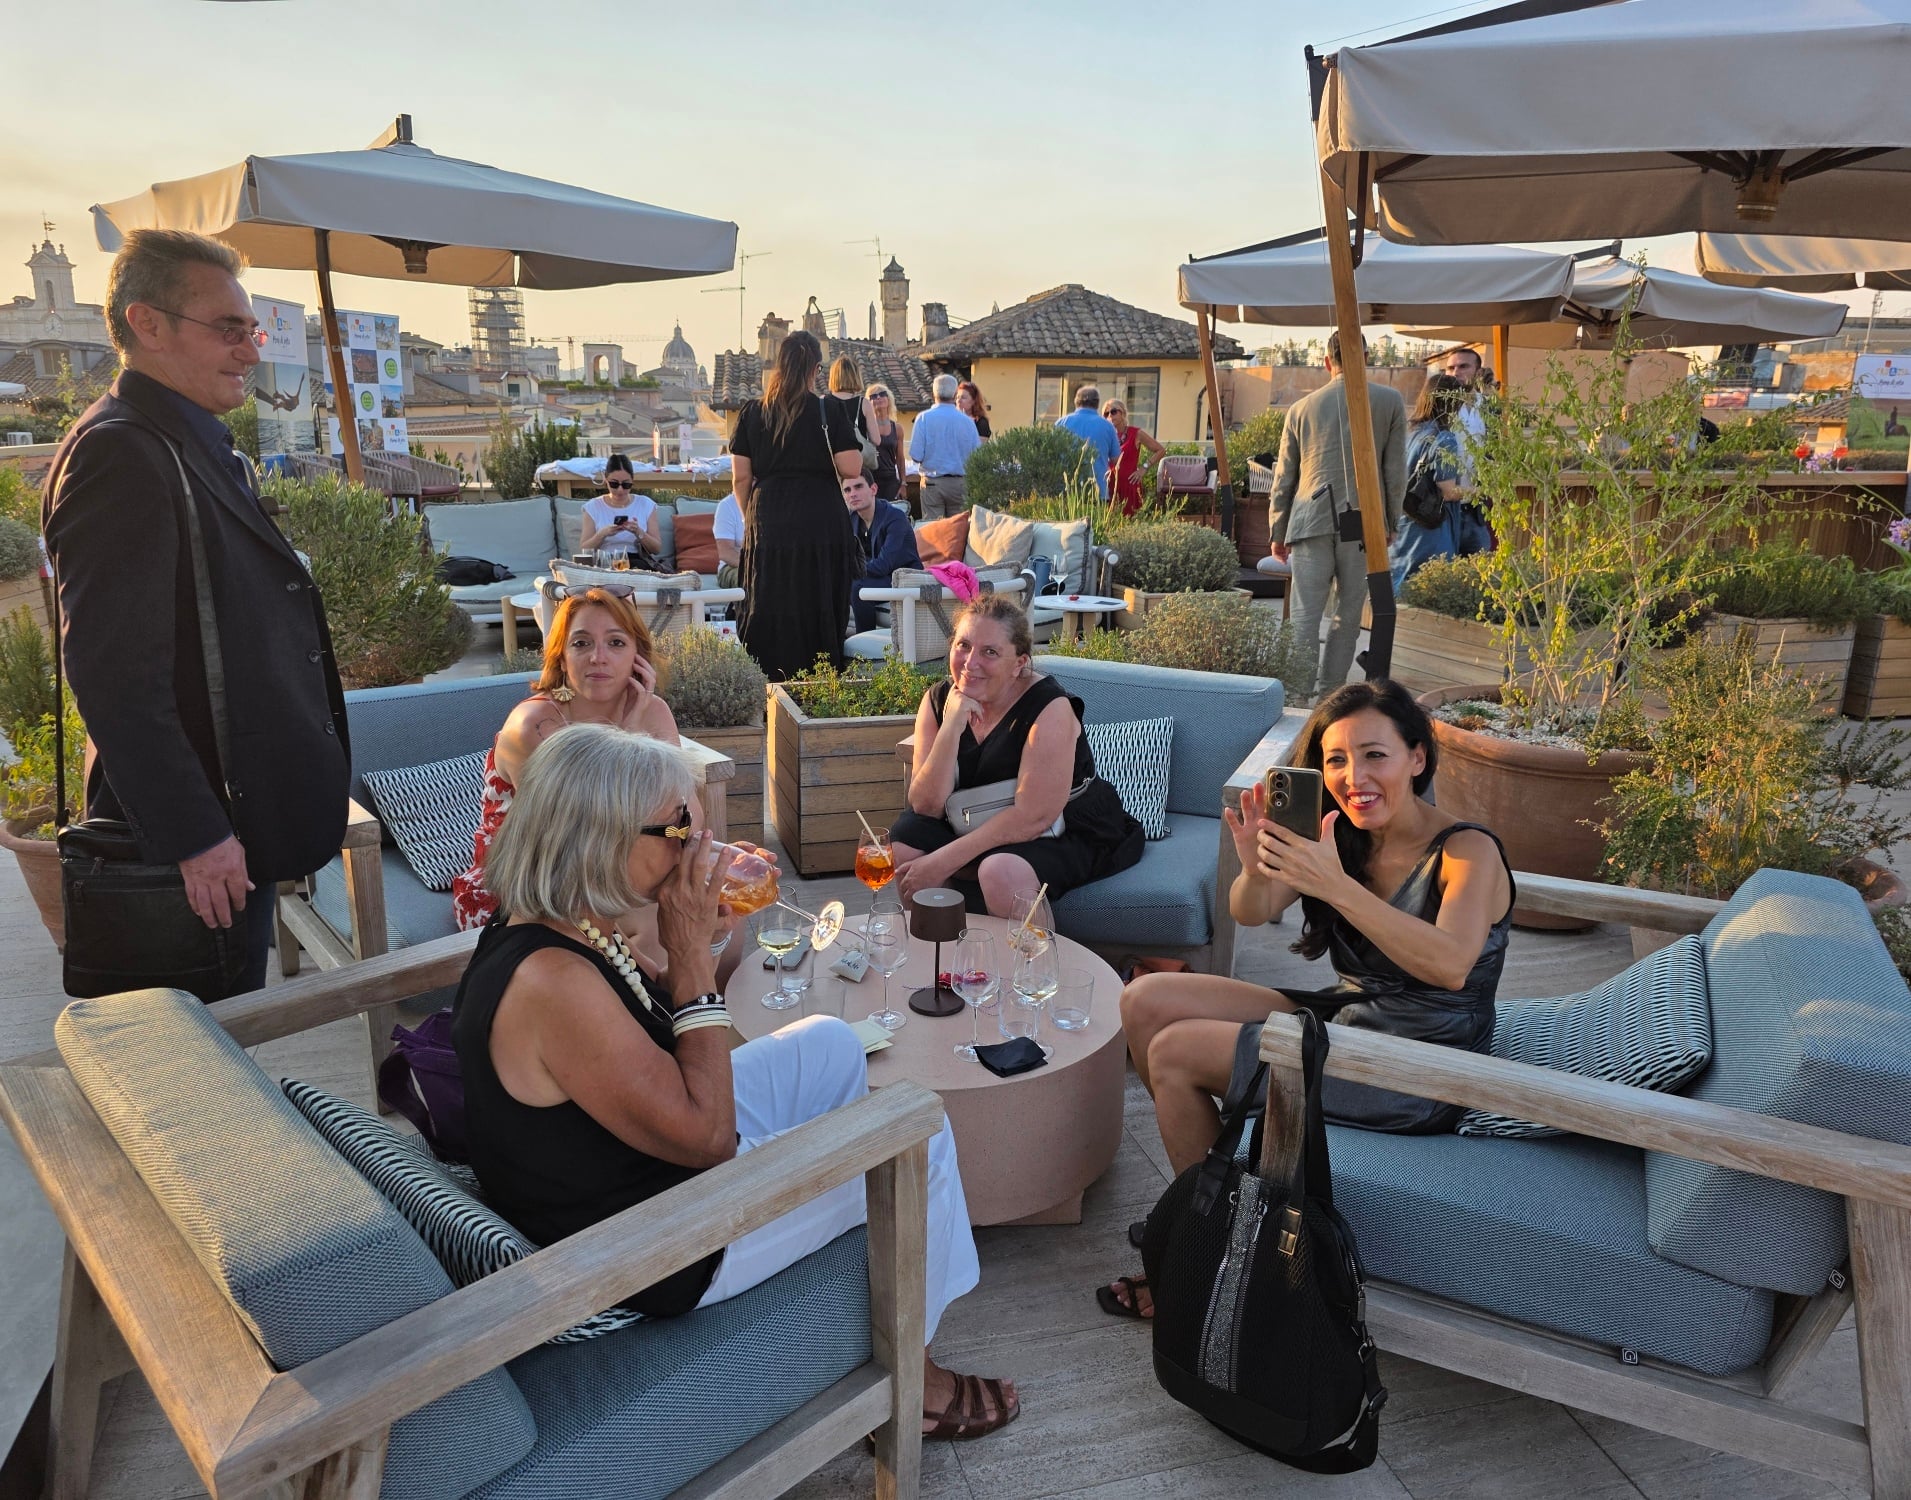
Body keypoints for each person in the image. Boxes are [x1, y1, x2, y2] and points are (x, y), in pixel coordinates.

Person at [454, 724, 1019, 1440]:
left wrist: (706, 935)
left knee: (826, 1044)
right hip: (657, 1241)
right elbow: (709, 1138)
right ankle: (918, 1381)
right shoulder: (553, 984)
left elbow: (666, 1013)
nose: (700, 845)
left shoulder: (563, 923)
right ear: (602, 838)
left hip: (643, 1163)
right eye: (679, 829)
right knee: (919, 1141)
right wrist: (691, 955)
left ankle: (851, 1270)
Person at [1099, 680, 1514, 1318]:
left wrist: (1336, 885)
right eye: (1336, 759)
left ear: (1417, 757)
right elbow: (1251, 910)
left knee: (1177, 1052)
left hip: (1421, 1064)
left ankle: (1210, 1256)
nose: (1354, 777)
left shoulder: (1467, 851)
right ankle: (1215, 1199)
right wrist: (1255, 867)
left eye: (1374, 755)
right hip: (1348, 1014)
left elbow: (1451, 965)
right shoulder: (1340, 833)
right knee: (1146, 1001)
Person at [42, 228, 350, 994]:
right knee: (201, 1055)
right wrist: (197, 837)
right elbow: (114, 677)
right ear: (147, 324)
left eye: (253, 331)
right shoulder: (122, 454)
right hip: (197, 849)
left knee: (227, 1039)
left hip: (232, 823)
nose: (249, 351)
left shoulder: (184, 443)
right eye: (228, 329)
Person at [890, 595, 1144, 916]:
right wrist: (951, 727)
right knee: (906, 843)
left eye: (990, 652)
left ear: (1019, 664)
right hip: (972, 817)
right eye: (963, 645)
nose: (970, 663)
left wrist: (942, 861)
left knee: (999, 871)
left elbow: (1032, 818)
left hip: (1062, 826)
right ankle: (946, 943)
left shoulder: (1050, 708)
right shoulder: (939, 700)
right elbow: (926, 806)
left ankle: (1036, 949)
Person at [452, 584, 681, 932]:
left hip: (619, 870)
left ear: (638, 655)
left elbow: (685, 814)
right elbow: (583, 831)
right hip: (526, 886)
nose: (598, 657)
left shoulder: (653, 711)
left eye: (616, 642)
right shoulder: (534, 725)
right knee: (652, 919)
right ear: (561, 656)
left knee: (712, 898)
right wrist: (628, 739)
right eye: (581, 643)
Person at [1268, 332, 1407, 700]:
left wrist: (1278, 530)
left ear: (1328, 362)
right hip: (1364, 522)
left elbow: (1284, 476)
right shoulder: (1390, 401)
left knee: (1304, 615)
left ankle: (1296, 696)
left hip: (1309, 519)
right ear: (1367, 357)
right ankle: (1331, 696)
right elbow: (1395, 471)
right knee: (1348, 616)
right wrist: (1390, 521)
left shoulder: (1301, 408)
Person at [731, 330, 862, 679]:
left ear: (779, 366)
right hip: (821, 517)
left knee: (769, 599)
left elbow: (741, 478)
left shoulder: (753, 412)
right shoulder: (828, 409)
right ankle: (818, 680)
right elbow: (851, 468)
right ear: (815, 369)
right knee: (819, 598)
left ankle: (767, 681)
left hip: (768, 516)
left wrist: (750, 517)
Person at [1390, 374, 1491, 589]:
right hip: (1432, 530)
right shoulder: (1444, 439)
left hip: (1406, 520)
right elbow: (1448, 491)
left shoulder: (1411, 432)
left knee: (1402, 585)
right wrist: (1481, 492)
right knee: (1431, 587)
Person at [845, 470, 922, 632]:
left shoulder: (895, 518)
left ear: (873, 489)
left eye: (858, 487)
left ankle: (865, 641)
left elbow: (883, 565)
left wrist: (848, 569)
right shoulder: (851, 519)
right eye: (847, 490)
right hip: (876, 578)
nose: (853, 494)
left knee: (857, 587)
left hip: (904, 578)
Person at [909, 373, 981, 521]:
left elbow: (916, 455)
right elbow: (977, 455)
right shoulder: (968, 422)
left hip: (932, 483)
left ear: (933, 394)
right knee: (959, 527)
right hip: (960, 483)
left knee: (933, 528)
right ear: (954, 394)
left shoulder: (923, 418)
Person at [579, 453, 663, 562]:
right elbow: (584, 550)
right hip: (605, 562)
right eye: (614, 484)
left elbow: (656, 549)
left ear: (632, 481)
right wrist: (602, 534)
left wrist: (639, 532)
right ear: (606, 480)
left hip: (636, 562)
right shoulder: (593, 507)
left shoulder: (646, 504)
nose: (620, 490)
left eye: (626, 485)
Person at [1056, 385, 1121, 499]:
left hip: (1066, 491)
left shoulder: (1061, 423)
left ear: (1076, 401)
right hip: (1098, 491)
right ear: (1097, 403)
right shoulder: (1107, 426)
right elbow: (1116, 460)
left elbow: (1052, 455)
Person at [1102, 397, 1165, 516]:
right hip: (1109, 487)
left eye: (1113, 411)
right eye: (1106, 413)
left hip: (1129, 486)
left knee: (1131, 522)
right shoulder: (1105, 436)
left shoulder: (1135, 433)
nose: (1110, 415)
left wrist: (1143, 468)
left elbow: (1160, 450)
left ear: (1122, 413)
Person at [865, 382, 906, 502]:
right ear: (868, 402)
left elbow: (900, 458)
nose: (878, 397)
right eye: (873, 396)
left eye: (882, 394)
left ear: (889, 399)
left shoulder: (897, 428)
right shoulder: (864, 427)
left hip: (890, 481)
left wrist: (903, 483)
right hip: (870, 480)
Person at [712, 491, 744, 589]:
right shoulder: (727, 505)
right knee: (754, 579)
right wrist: (756, 567)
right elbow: (726, 553)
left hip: (769, 564)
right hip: (732, 567)